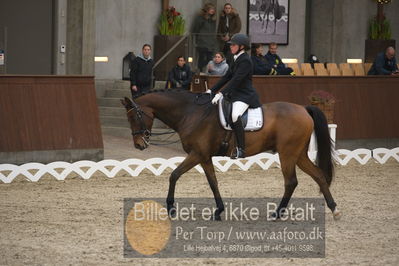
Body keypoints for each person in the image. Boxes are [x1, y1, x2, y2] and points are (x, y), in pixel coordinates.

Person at [208, 34, 261, 159]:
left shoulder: (246, 60)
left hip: (245, 95)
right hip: (235, 94)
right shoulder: (235, 58)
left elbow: (236, 80)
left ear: (241, 47)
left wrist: (221, 93)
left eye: (234, 45)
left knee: (235, 115)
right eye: (231, 45)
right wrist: (211, 90)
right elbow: (227, 77)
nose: (231, 47)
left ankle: (241, 149)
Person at [191, 3, 218, 72]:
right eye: (211, 9)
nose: (212, 11)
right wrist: (196, 39)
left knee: (210, 58)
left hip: (210, 42)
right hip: (202, 41)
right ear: (207, 10)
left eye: (213, 9)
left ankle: (204, 70)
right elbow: (195, 29)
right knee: (202, 57)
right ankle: (200, 70)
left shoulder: (213, 19)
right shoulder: (200, 18)